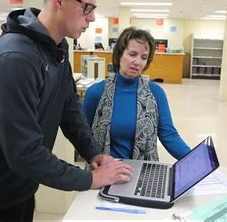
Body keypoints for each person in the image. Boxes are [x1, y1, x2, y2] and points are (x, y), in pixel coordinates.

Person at [0, 0, 132, 221]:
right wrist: (88, 179)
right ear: (59, 0)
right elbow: (23, 152)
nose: (92, 17)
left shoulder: (56, 48)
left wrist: (94, 153)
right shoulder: (16, 59)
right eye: (87, 8)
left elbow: (69, 108)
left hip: (19, 187)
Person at [82, 27, 191, 161]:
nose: (138, 62)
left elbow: (169, 135)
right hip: (105, 173)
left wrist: (197, 161)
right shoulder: (97, 92)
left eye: (144, 57)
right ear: (119, 54)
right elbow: (83, 136)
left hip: (144, 172)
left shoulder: (155, 93)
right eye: (132, 54)